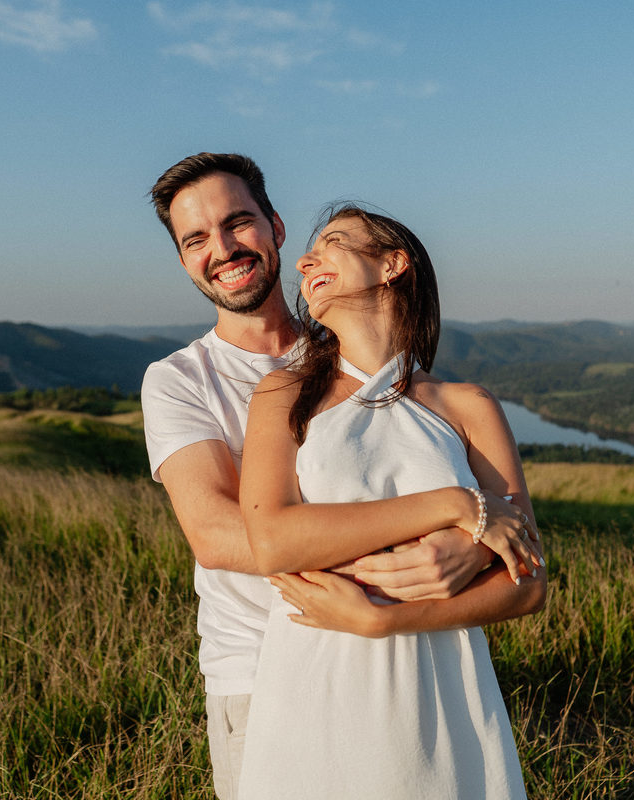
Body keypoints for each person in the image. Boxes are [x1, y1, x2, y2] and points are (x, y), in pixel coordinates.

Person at [142, 153, 536, 799]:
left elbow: (529, 572)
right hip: (269, 663)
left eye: (238, 223)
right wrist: (454, 523)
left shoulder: (438, 395)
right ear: (184, 259)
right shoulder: (188, 381)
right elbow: (221, 536)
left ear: (273, 226)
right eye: (195, 239)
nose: (222, 248)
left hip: (437, 664)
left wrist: (449, 562)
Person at [236, 205, 547, 798]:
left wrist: (384, 620)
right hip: (317, 673)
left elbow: (530, 583)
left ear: (392, 264)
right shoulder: (284, 393)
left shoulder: (468, 406)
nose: (305, 261)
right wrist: (454, 503)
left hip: (442, 683)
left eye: (332, 243)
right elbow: (273, 540)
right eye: (307, 254)